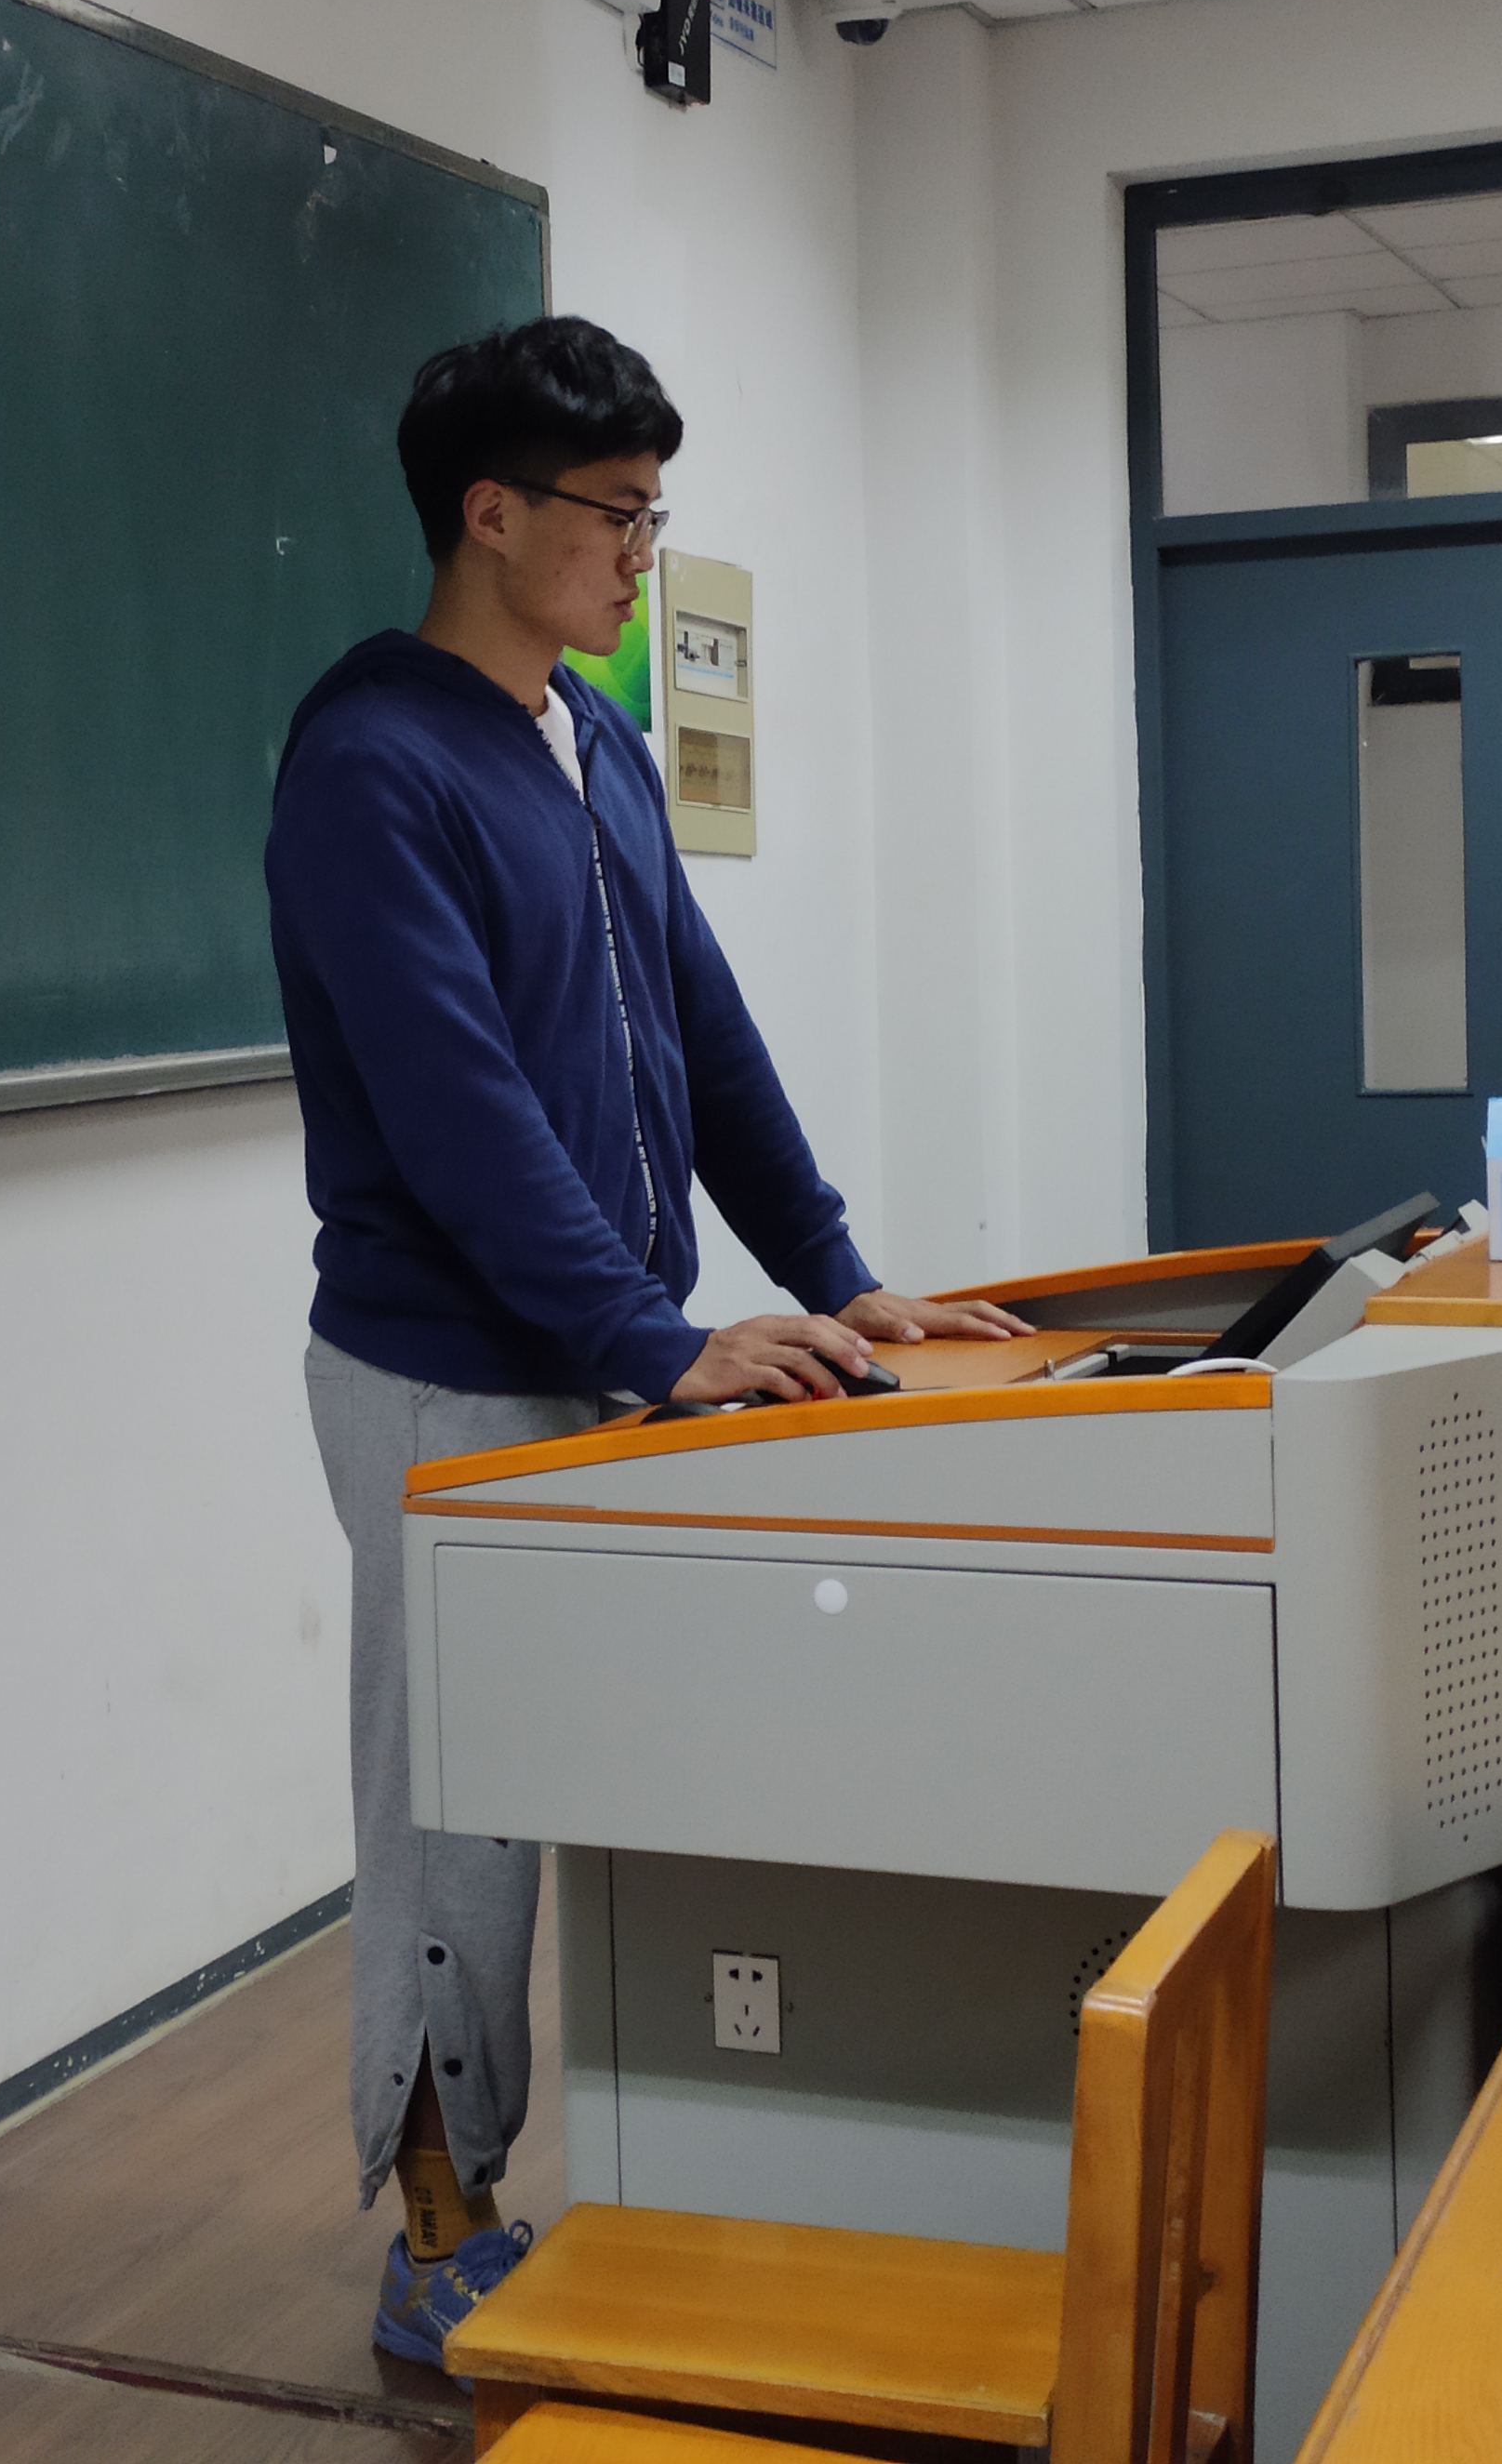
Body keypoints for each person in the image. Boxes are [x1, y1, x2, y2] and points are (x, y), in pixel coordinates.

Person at [263, 315, 1031, 2369]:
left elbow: (698, 1026)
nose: (638, 554)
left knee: (613, 1774)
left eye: (652, 515)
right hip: (445, 1374)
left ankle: (667, 2166)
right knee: (457, 1823)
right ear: (488, 515)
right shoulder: (371, 763)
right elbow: (455, 1109)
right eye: (613, 516)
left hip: (604, 1358)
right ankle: (437, 2237)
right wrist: (651, 1332)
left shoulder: (591, 741)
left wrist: (835, 1270)